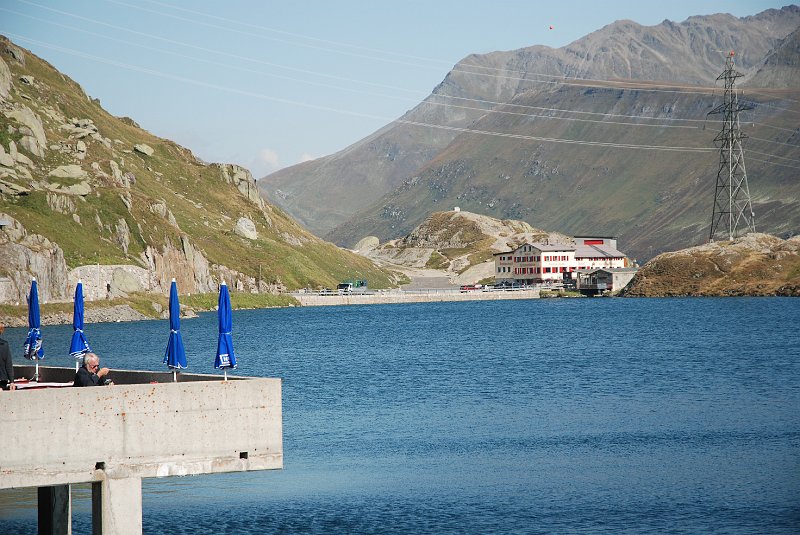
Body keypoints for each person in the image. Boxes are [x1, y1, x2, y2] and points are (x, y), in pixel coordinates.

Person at [0, 322, 15, 390]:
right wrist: (12, 381)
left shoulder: (4, 344)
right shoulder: (4, 344)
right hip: (2, 378)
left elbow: (8, 363)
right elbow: (8, 364)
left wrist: (12, 381)